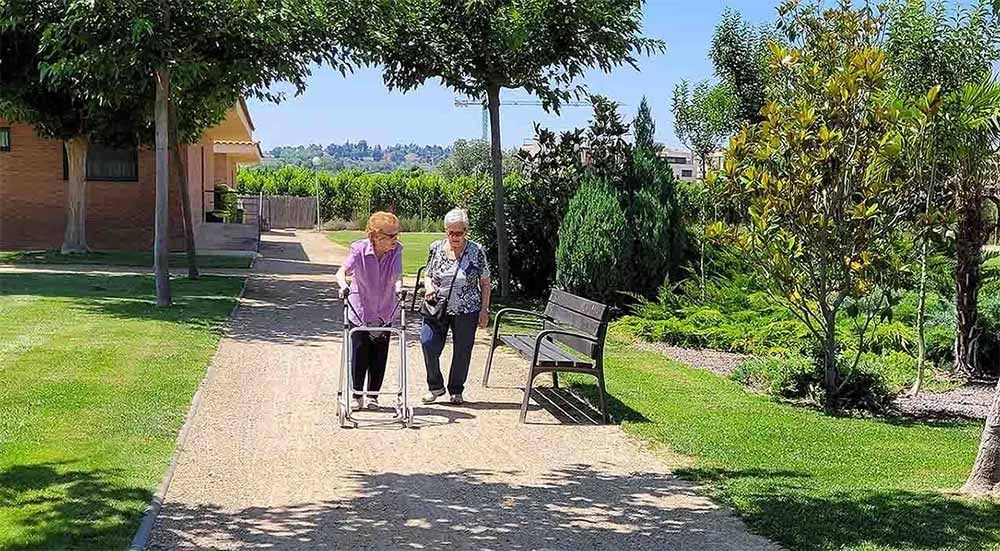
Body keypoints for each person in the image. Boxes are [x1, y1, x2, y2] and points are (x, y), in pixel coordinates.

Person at [420, 208, 491, 405]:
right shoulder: (436, 247)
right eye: (450, 232)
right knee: (427, 342)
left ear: (466, 231)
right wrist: (428, 287)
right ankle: (435, 386)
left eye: (459, 233)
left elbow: (485, 283)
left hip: (466, 309)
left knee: (462, 350)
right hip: (437, 306)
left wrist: (484, 310)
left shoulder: (476, 251)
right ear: (445, 231)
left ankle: (456, 390)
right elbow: (428, 273)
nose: (454, 237)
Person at [336, 212, 403, 411]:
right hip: (361, 309)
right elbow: (341, 272)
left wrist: (400, 289)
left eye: (396, 234)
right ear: (375, 236)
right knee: (360, 354)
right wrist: (343, 285)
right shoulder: (359, 249)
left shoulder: (396, 250)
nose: (395, 239)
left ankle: (373, 396)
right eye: (391, 235)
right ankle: (357, 395)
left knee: (379, 355)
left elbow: (397, 275)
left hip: (384, 308)